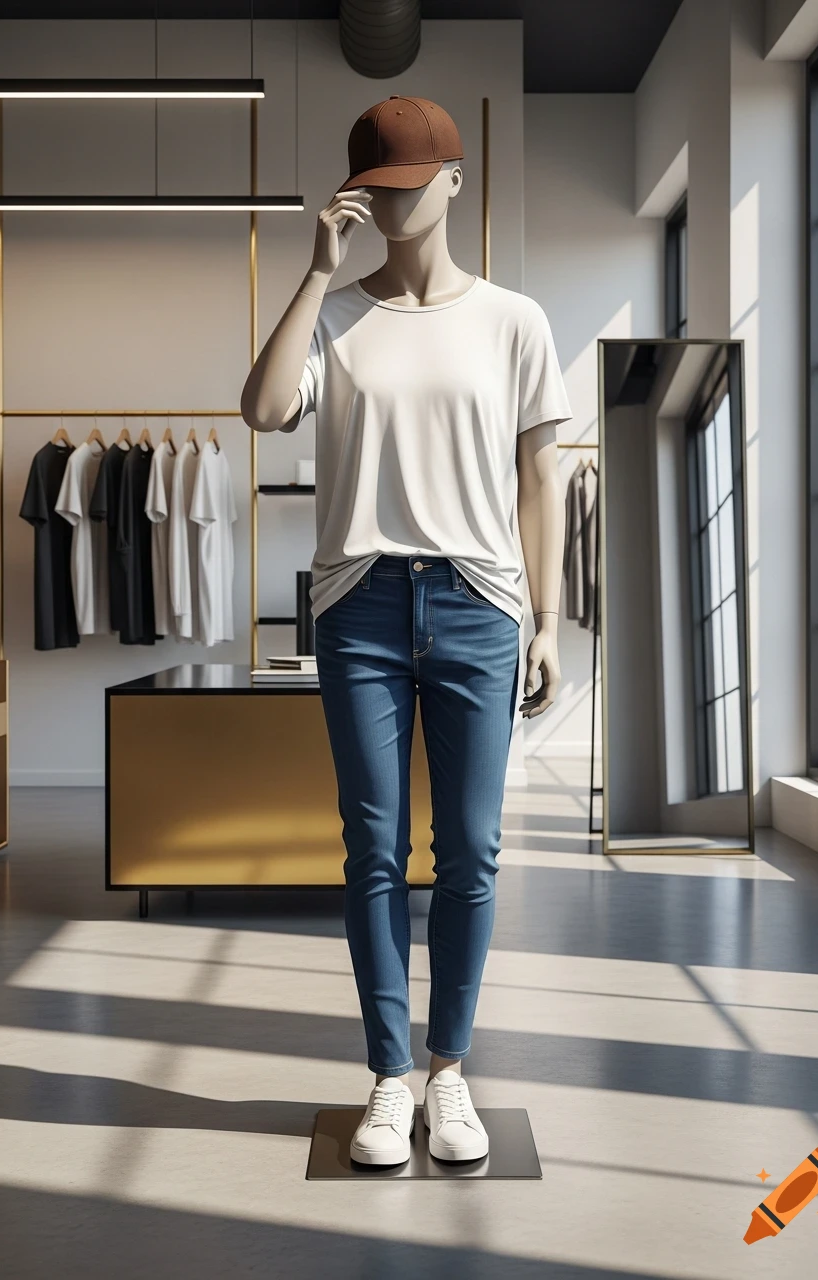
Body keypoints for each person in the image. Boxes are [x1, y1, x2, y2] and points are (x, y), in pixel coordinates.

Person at [241, 96, 572, 1166]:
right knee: (373, 853)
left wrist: (544, 617)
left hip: (480, 602)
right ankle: (387, 1075)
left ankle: (449, 1072)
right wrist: (312, 268)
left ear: (454, 182)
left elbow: (541, 475)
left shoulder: (513, 319)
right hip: (361, 605)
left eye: (406, 184)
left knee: (469, 853)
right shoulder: (335, 317)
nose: (389, 203)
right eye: (371, 187)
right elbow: (258, 408)